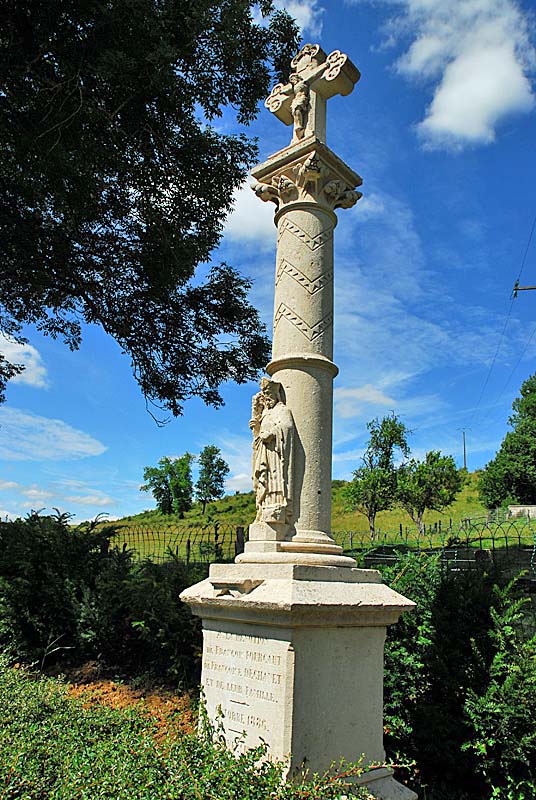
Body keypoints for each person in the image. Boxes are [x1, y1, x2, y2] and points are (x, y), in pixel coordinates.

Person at [250, 378, 295, 524]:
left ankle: (277, 506)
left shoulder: (282, 410)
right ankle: (263, 508)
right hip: (264, 451)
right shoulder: (265, 414)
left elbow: (287, 427)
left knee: (275, 479)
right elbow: (258, 436)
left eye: (269, 394)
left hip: (275, 453)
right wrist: (256, 427)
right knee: (264, 479)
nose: (267, 398)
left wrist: (272, 433)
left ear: (277, 394)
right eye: (265, 395)